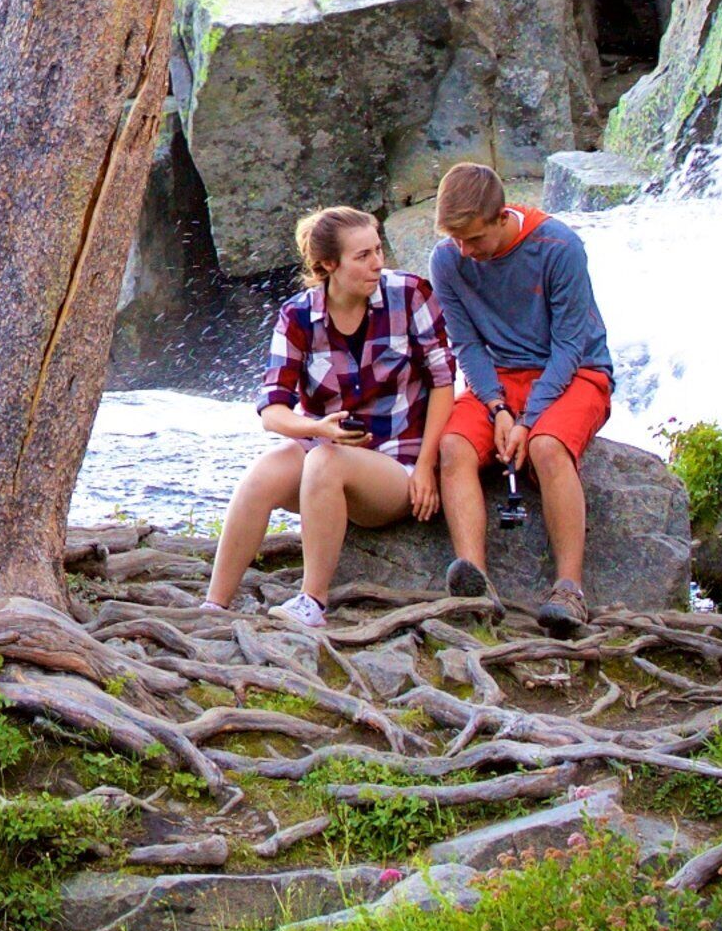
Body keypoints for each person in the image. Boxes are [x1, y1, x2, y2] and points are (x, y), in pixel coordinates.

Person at [206, 205, 458, 632]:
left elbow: (443, 383)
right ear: (328, 265)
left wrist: (429, 466)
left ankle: (313, 603)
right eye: (363, 256)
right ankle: (214, 607)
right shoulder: (298, 316)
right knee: (264, 473)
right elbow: (273, 412)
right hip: (326, 451)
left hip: (398, 466)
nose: (377, 263)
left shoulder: (412, 293)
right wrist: (316, 428)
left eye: (378, 250)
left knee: (325, 460)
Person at [425, 161, 611, 634]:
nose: (466, 252)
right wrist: (497, 407)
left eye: (475, 240)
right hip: (501, 381)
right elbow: (465, 343)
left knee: (548, 448)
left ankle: (569, 589)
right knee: (453, 448)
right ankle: (475, 584)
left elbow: (570, 346)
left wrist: (528, 421)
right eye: (457, 241)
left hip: (575, 373)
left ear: (501, 216)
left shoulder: (559, 247)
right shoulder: (448, 259)